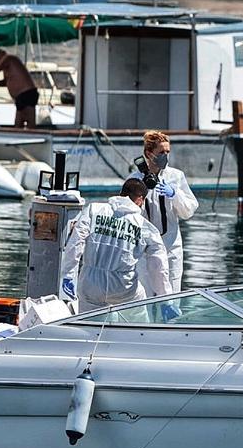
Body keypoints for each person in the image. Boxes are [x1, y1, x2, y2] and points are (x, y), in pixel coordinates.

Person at [60, 179, 173, 312]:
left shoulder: (93, 210)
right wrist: (166, 299)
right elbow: (158, 266)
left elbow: (75, 243)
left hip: (91, 284)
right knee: (137, 323)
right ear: (140, 199)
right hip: (124, 288)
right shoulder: (145, 226)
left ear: (121, 193)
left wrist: (68, 274)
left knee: (89, 327)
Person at [128, 130, 197, 292]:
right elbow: (125, 215)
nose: (165, 156)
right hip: (144, 251)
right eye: (161, 152)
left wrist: (175, 194)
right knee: (145, 298)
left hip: (170, 248)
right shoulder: (135, 180)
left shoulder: (176, 176)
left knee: (171, 297)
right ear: (149, 153)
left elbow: (189, 210)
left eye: (167, 152)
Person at [0, 49, 39, 128]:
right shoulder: (6, 68)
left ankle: (33, 136)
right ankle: (18, 136)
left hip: (26, 93)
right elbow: (6, 81)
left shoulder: (9, 58)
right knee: (19, 123)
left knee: (30, 122)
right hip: (20, 96)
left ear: (1, 54)